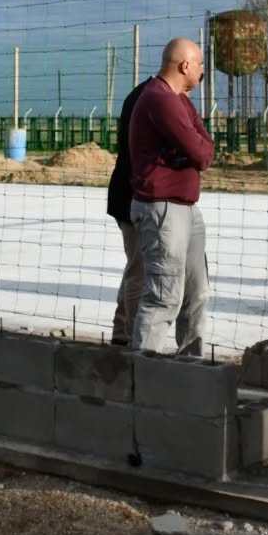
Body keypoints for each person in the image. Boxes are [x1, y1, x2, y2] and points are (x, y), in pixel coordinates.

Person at [128, 37, 215, 355]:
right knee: (164, 295)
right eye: (200, 65)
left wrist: (197, 146)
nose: (202, 71)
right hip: (163, 209)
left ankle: (190, 367)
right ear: (185, 65)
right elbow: (201, 153)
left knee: (196, 294)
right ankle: (143, 369)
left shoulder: (179, 100)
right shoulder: (160, 99)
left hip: (185, 208)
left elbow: (205, 145)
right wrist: (195, 148)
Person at [105, 76, 154, 346]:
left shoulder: (141, 93)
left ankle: (122, 329)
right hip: (133, 194)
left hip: (125, 191)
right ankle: (132, 335)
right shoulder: (153, 97)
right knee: (140, 268)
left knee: (136, 264)